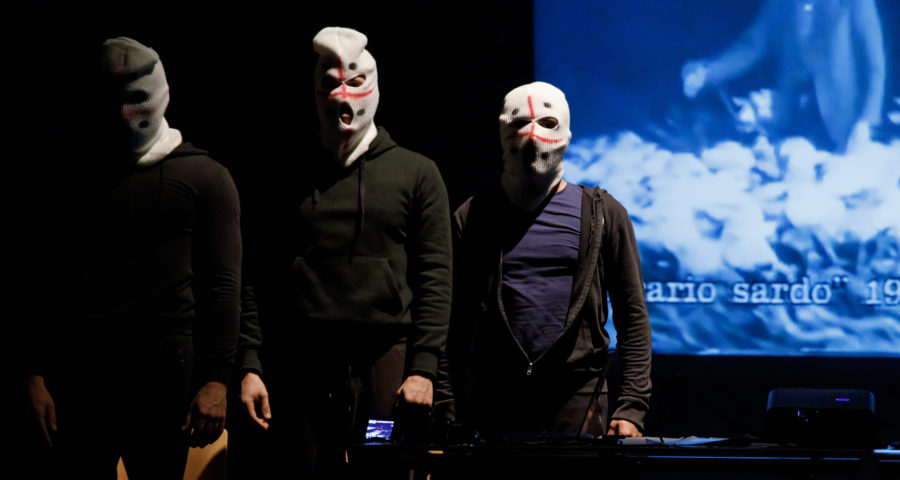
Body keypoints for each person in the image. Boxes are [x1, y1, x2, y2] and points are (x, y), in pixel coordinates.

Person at [230, 26, 452, 479]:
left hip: (383, 369)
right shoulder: (288, 176)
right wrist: (250, 362)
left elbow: (436, 276)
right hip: (301, 366)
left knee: (381, 471)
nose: (342, 98)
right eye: (330, 85)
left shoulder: (416, 173)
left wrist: (424, 369)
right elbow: (257, 275)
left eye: (354, 83)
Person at [23, 36, 241, 479]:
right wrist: (34, 372)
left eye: (137, 101)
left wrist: (217, 378)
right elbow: (44, 277)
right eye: (114, 102)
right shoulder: (75, 179)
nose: (127, 116)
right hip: (83, 378)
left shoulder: (204, 178)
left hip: (165, 382)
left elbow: (225, 285)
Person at [444, 81, 651, 441]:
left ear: (565, 133)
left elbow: (632, 315)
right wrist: (445, 404)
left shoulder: (604, 215)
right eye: (519, 124)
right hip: (496, 401)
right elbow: (451, 320)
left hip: (579, 402)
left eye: (547, 123)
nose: (532, 136)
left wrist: (631, 407)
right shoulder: (473, 217)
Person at [681, 0, 885, 152]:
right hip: (793, 116)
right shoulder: (781, 3)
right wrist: (706, 73)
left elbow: (875, 66)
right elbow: (751, 47)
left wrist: (866, 121)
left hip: (842, 124)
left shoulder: (855, 3)